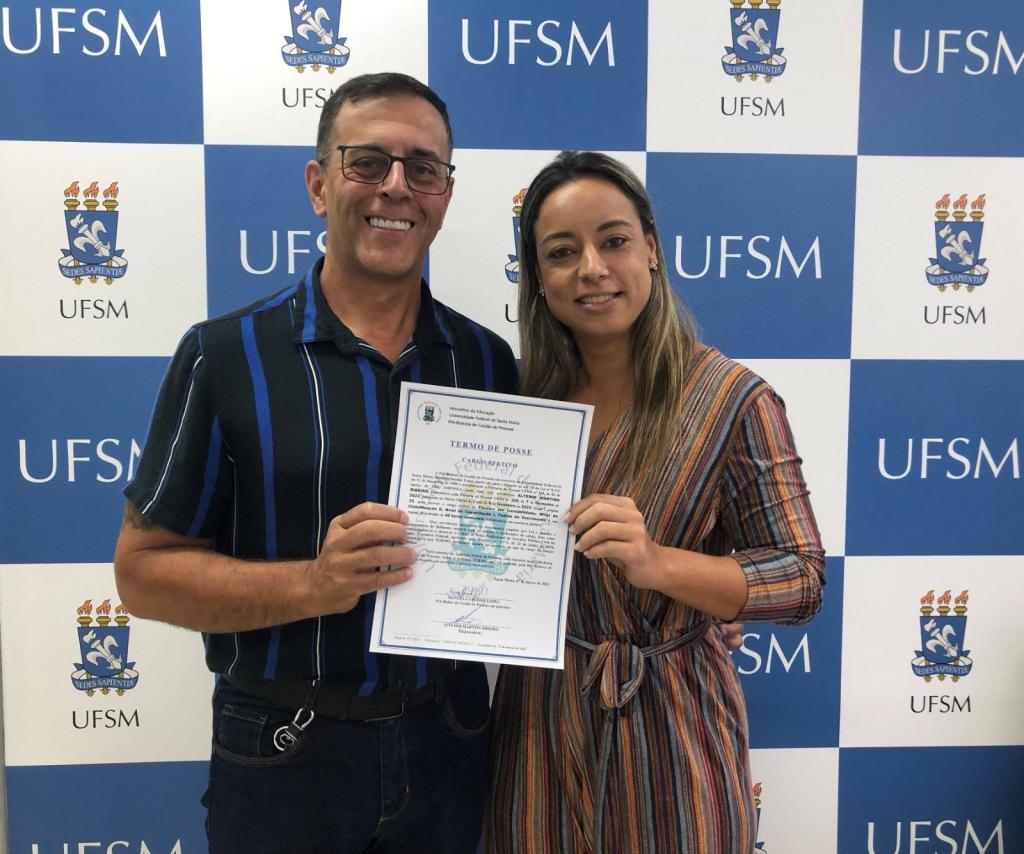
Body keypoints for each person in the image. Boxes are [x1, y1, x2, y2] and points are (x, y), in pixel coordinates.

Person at [113, 73, 517, 854]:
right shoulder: (225, 356)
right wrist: (314, 583)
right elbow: (142, 574)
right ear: (318, 184)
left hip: (453, 740)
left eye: (422, 168)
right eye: (367, 161)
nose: (395, 186)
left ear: (444, 195)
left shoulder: (486, 361)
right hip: (284, 751)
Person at [485, 151, 825, 854]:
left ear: (651, 249)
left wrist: (660, 564)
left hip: (675, 727)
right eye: (561, 252)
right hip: (537, 728)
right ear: (537, 278)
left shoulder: (731, 399)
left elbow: (802, 579)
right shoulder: (521, 405)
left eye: (612, 240)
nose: (591, 268)